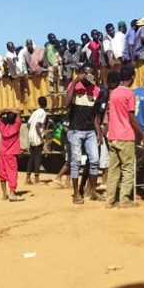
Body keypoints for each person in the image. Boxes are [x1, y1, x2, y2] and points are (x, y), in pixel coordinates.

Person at [106, 65, 144, 209]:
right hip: (125, 135)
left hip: (113, 135)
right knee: (128, 168)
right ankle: (124, 199)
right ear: (132, 78)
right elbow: (131, 117)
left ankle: (110, 200)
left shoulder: (113, 93)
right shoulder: (129, 94)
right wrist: (143, 136)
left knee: (113, 170)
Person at [65, 63, 103, 204]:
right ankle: (76, 193)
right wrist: (75, 81)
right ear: (81, 72)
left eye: (91, 73)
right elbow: (66, 103)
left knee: (94, 161)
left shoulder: (96, 90)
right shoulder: (74, 86)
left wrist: (99, 132)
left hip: (90, 131)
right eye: (86, 73)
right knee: (75, 162)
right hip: (75, 130)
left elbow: (95, 115)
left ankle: (92, 191)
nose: (88, 76)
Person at [0, 109, 24, 202]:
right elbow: (19, 113)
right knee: (12, 173)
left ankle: (4, 194)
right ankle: (12, 193)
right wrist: (12, 110)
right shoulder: (16, 127)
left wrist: (3, 111)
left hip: (2, 154)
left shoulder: (2, 128)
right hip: (11, 154)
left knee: (2, 174)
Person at [26, 97, 48, 185]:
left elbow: (28, 124)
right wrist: (41, 138)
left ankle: (28, 178)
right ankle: (36, 178)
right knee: (38, 158)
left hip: (31, 136)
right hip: (37, 137)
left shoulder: (35, 112)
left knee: (31, 157)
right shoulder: (43, 113)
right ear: (45, 103)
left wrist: (31, 132)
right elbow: (37, 125)